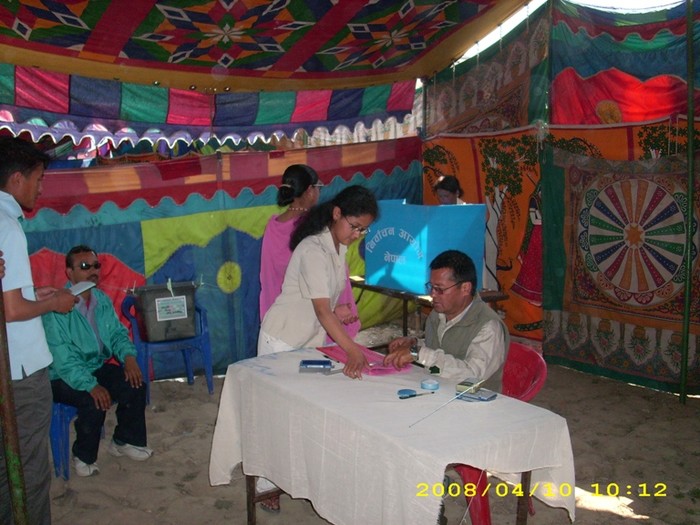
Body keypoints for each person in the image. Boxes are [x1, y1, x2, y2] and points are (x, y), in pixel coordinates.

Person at [0, 137, 78, 525]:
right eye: (38, 179)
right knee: (30, 473)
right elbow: (12, 310)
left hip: (9, 369)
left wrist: (34, 293)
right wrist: (53, 303)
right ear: (17, 179)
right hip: (22, 373)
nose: (41, 188)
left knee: (6, 470)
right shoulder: (8, 227)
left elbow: (10, 298)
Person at [42, 245, 152, 477]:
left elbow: (117, 334)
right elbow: (63, 358)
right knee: (94, 400)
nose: (92, 270)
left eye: (96, 265)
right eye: (84, 266)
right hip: (61, 375)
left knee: (135, 384)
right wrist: (91, 385)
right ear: (69, 273)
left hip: (94, 365)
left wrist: (129, 357)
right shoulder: (57, 306)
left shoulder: (100, 299)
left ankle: (124, 440)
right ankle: (83, 456)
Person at [258, 184, 377, 376]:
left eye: (363, 230)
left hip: (308, 341)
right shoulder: (313, 250)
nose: (356, 235)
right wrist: (353, 350)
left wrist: (334, 310)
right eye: (354, 226)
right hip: (283, 340)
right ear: (337, 213)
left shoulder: (339, 248)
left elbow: (318, 300)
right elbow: (321, 310)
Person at [384, 249, 509, 392]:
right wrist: (414, 344)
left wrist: (418, 353)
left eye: (440, 289)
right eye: (431, 287)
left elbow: (472, 376)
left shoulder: (489, 326)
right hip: (438, 389)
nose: (432, 294)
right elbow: (441, 350)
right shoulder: (438, 314)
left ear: (465, 288)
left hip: (472, 399)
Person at [259, 164, 360, 338]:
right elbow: (328, 273)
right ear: (309, 191)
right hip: (312, 315)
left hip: (278, 319)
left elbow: (269, 276)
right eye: (319, 187)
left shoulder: (273, 225)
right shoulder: (315, 228)